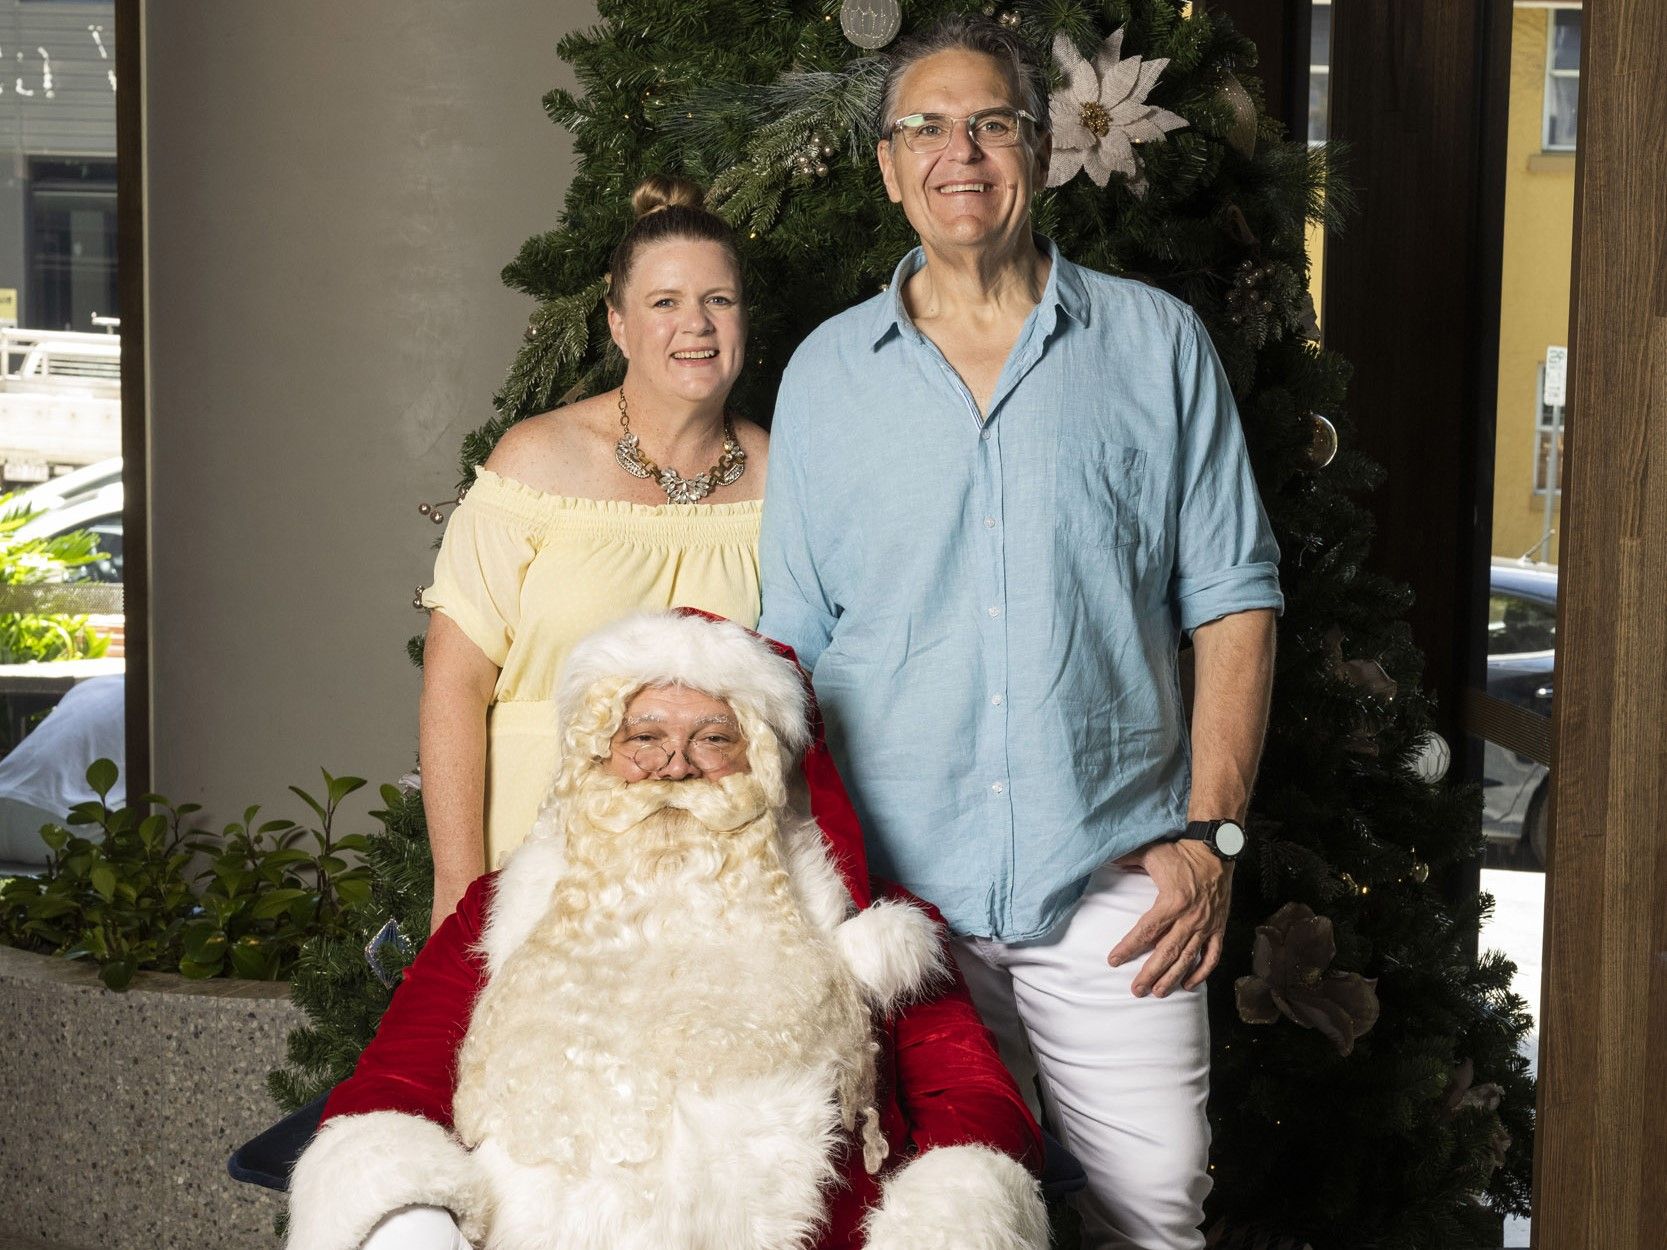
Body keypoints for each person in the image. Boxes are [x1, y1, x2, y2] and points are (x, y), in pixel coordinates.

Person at [758, 16, 1281, 1249]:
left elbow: (1233, 594)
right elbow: (787, 639)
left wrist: (1212, 832)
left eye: (991, 123)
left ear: (1038, 152)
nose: (961, 152)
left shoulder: (1154, 346)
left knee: (1152, 1207)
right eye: (925, 127)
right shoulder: (827, 373)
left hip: (1113, 874)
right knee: (938, 1221)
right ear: (886, 167)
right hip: (896, 900)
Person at [287, 610, 1047, 1250]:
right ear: (600, 756)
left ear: (764, 761)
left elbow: (969, 1092)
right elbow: (400, 1071)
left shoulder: (865, 922)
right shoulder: (502, 907)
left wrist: (950, 1212)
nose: (673, 767)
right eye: (642, 737)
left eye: (714, 738)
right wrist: (408, 1220)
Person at [420, 174, 770, 931]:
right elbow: (454, 685)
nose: (696, 325)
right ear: (617, 324)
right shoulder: (536, 461)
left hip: (712, 879)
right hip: (534, 859)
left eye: (717, 300)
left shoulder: (786, 481)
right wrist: (457, 882)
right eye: (664, 302)